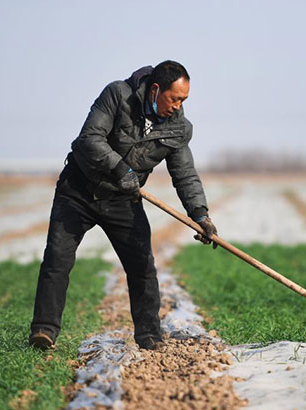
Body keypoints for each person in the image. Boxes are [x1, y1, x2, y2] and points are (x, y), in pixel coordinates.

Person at [28, 60, 218, 351]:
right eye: (174, 98)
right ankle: (44, 331)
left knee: (142, 266)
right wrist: (122, 170)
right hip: (78, 191)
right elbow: (89, 139)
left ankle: (150, 336)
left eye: (184, 100)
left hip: (122, 200)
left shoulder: (178, 127)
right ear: (156, 90)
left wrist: (200, 215)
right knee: (57, 258)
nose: (178, 106)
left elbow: (185, 174)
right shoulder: (118, 95)